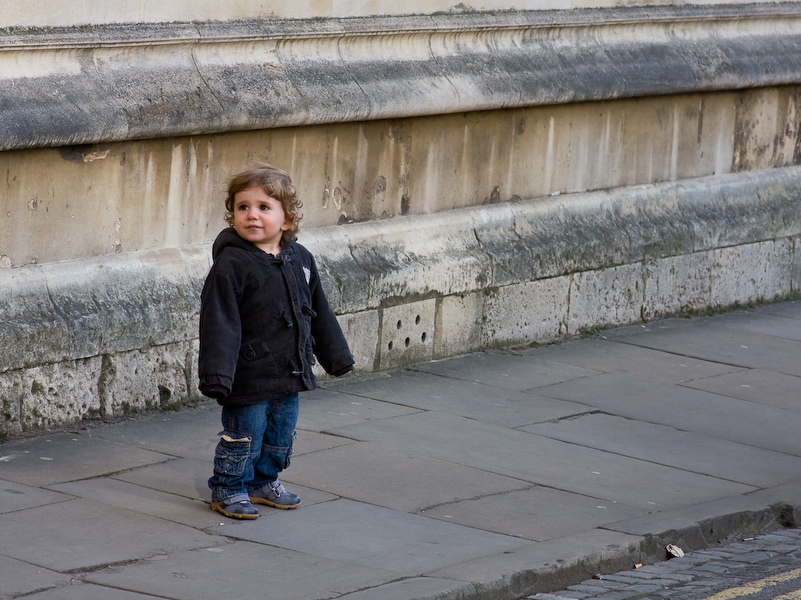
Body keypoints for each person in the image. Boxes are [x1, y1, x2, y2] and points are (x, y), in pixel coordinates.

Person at [198, 162, 354, 520]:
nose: (251, 215)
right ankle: (229, 487)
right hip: (248, 374)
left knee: (279, 434)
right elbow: (219, 323)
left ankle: (262, 481)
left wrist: (336, 356)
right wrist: (217, 376)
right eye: (242, 207)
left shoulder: (300, 259)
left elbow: (318, 311)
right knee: (244, 435)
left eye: (263, 207)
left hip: (291, 369)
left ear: (287, 219)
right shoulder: (231, 265)